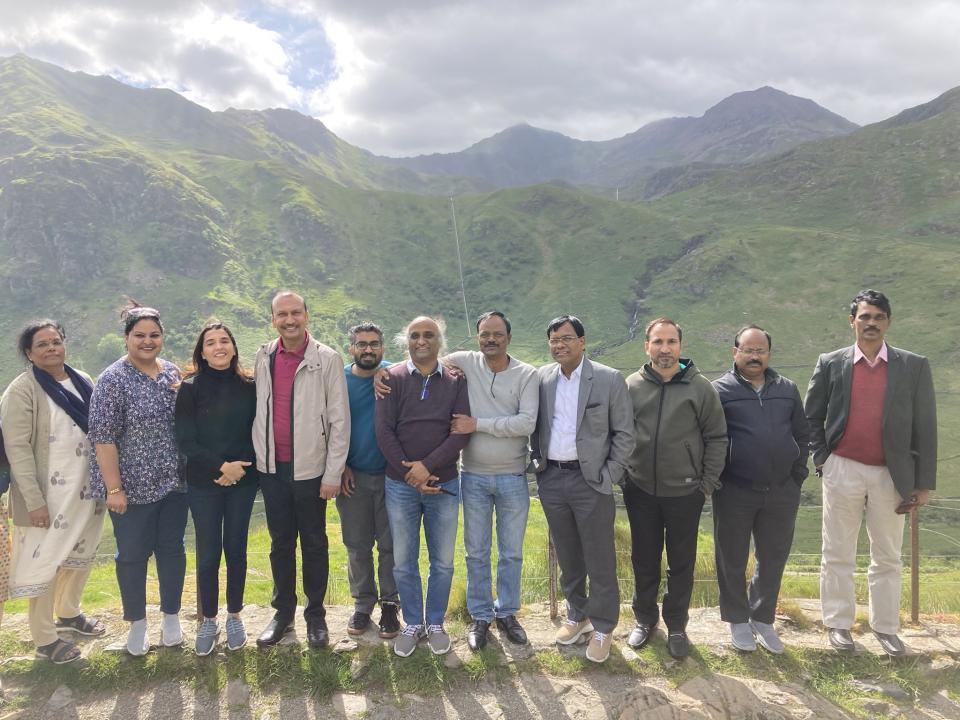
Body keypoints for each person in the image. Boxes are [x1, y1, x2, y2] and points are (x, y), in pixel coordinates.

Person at [805, 289, 937, 656]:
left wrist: (923, 484)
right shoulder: (831, 362)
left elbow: (925, 426)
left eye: (878, 317)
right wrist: (822, 460)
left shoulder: (913, 365)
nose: (871, 324)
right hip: (842, 467)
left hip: (891, 475)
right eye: (865, 317)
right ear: (853, 322)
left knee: (888, 555)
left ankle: (886, 628)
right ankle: (838, 625)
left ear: (888, 323)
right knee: (837, 551)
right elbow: (811, 416)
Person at [528, 314, 634, 663]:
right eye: (554, 339)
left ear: (583, 342)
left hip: (591, 481)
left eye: (567, 338)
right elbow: (535, 426)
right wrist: (538, 466)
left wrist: (608, 475)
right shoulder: (542, 378)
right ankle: (578, 615)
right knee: (568, 554)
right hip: (552, 478)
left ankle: (604, 627)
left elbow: (624, 434)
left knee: (599, 556)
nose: (559, 344)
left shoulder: (607, 379)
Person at [1, 320, 105, 664]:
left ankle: (69, 612)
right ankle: (45, 638)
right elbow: (17, 450)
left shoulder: (82, 379)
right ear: (29, 353)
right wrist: (34, 501)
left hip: (86, 487)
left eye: (56, 341)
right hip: (46, 496)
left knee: (81, 553)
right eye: (42, 344)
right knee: (45, 562)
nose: (51, 348)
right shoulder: (22, 391)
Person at [623, 317, 727, 660]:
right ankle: (645, 620)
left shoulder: (701, 388)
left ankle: (678, 625)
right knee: (644, 560)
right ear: (647, 346)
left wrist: (706, 485)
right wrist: (626, 474)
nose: (664, 349)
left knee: (681, 562)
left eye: (670, 342)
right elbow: (620, 434)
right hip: (640, 490)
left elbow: (717, 438)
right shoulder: (632, 386)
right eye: (657, 342)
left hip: (686, 493)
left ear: (680, 346)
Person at [252, 291, 350, 649]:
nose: (289, 320)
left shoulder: (327, 359)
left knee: (313, 542)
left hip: (311, 469)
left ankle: (316, 615)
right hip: (271, 467)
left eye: (295, 313)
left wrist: (332, 473)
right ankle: (282, 614)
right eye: (282, 314)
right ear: (273, 319)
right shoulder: (263, 356)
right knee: (280, 544)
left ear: (307, 315)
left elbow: (339, 421)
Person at [89, 304, 186, 656]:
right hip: (130, 488)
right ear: (127, 338)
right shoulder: (112, 379)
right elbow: (103, 438)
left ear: (162, 338)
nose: (148, 341)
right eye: (140, 335)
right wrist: (114, 488)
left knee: (172, 551)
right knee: (131, 555)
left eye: (154, 335)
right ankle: (137, 625)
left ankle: (171, 619)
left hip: (174, 482)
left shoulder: (170, 373)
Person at [375, 316, 470, 657]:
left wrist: (427, 467)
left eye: (429, 334)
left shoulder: (456, 380)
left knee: (443, 561)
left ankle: (436, 623)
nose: (421, 340)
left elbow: (461, 431)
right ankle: (413, 623)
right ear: (407, 340)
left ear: (440, 339)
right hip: (400, 486)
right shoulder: (391, 378)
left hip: (443, 483)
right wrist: (411, 474)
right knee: (404, 561)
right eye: (415, 335)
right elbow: (384, 430)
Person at [712, 325, 809, 654]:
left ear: (769, 353)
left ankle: (763, 618)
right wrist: (719, 478)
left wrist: (797, 475)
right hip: (735, 490)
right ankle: (738, 620)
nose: (754, 356)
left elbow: (802, 433)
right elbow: (710, 439)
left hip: (782, 490)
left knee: (773, 556)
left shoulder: (787, 389)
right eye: (747, 350)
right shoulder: (719, 390)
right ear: (735, 352)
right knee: (732, 557)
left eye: (760, 351)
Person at [445, 311, 539, 651]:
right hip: (472, 476)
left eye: (497, 334)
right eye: (485, 334)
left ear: (508, 338)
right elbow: (423, 358)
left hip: (514, 476)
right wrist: (385, 374)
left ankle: (508, 613)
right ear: (477, 337)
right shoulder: (465, 362)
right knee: (476, 552)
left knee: (511, 552)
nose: (491, 340)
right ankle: (480, 616)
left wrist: (477, 424)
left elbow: (526, 422)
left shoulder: (526, 374)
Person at [175, 320, 258, 655]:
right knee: (208, 553)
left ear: (234, 347)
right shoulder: (190, 387)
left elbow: (260, 430)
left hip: (243, 480)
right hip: (204, 482)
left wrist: (237, 468)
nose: (219, 346)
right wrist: (221, 467)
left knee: (236, 550)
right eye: (211, 342)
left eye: (224, 340)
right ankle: (208, 619)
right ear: (202, 351)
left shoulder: (251, 385)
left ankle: (234, 615)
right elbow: (185, 440)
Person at [336, 322, 400, 639]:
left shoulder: (394, 373)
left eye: (374, 344)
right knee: (356, 545)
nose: (368, 349)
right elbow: (330, 425)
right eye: (361, 344)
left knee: (391, 545)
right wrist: (341, 464)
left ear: (383, 347)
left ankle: (390, 604)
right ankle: (363, 604)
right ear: (351, 349)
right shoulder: (339, 380)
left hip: (391, 476)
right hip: (353, 476)